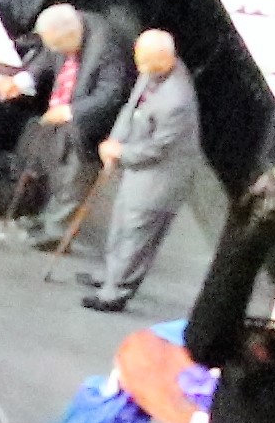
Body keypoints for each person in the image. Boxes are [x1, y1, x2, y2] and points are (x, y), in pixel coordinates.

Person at [80, 31, 203, 312]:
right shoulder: (152, 71)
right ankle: (109, 275)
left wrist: (120, 153)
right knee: (121, 223)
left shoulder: (176, 102)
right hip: (138, 167)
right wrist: (114, 141)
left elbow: (157, 148)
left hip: (161, 178)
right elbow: (131, 108)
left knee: (137, 235)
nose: (139, 70)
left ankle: (116, 292)